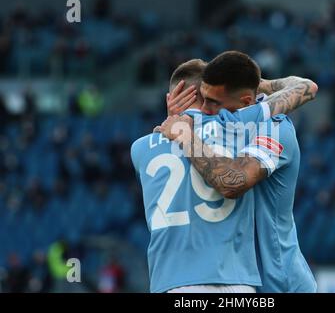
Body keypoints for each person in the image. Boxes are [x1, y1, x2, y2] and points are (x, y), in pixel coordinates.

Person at [131, 54, 317, 293]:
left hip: (280, 282)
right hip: (240, 279)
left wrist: (183, 132)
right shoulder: (213, 130)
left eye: (215, 102)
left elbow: (232, 182)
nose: (208, 112)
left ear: (246, 101)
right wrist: (180, 124)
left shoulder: (274, 126)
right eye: (204, 100)